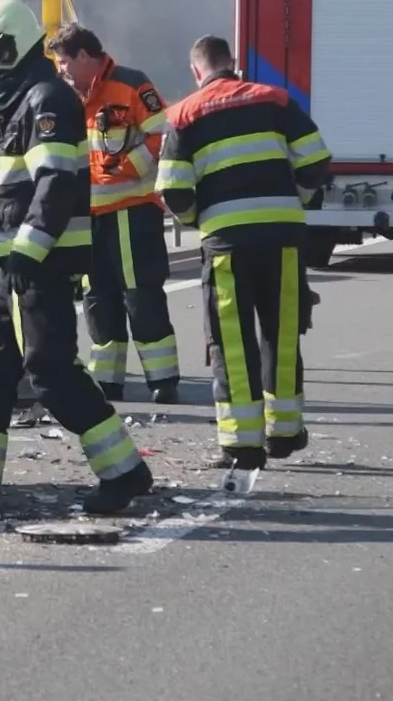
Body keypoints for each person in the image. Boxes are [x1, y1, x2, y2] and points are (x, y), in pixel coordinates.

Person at [0, 0, 154, 521]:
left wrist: (27, 252)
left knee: (51, 371)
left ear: (7, 49)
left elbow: (55, 185)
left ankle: (126, 472)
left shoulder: (44, 100)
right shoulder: (21, 100)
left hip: (38, 265)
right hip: (11, 266)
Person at [154, 35, 331, 471]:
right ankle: (285, 433)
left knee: (232, 343)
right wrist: (297, 200)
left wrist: (202, 219)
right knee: (282, 333)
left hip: (227, 243)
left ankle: (241, 446)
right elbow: (315, 160)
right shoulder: (274, 99)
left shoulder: (184, 114)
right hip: (284, 236)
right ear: (231, 63)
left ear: (198, 71)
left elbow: (171, 189)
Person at [46, 23, 181, 405]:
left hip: (131, 212)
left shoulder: (131, 84)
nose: (61, 71)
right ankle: (108, 383)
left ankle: (163, 380)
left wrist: (128, 166)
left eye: (64, 63)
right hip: (88, 217)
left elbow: (165, 135)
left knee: (141, 295)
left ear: (85, 57)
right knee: (97, 299)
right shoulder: (65, 97)